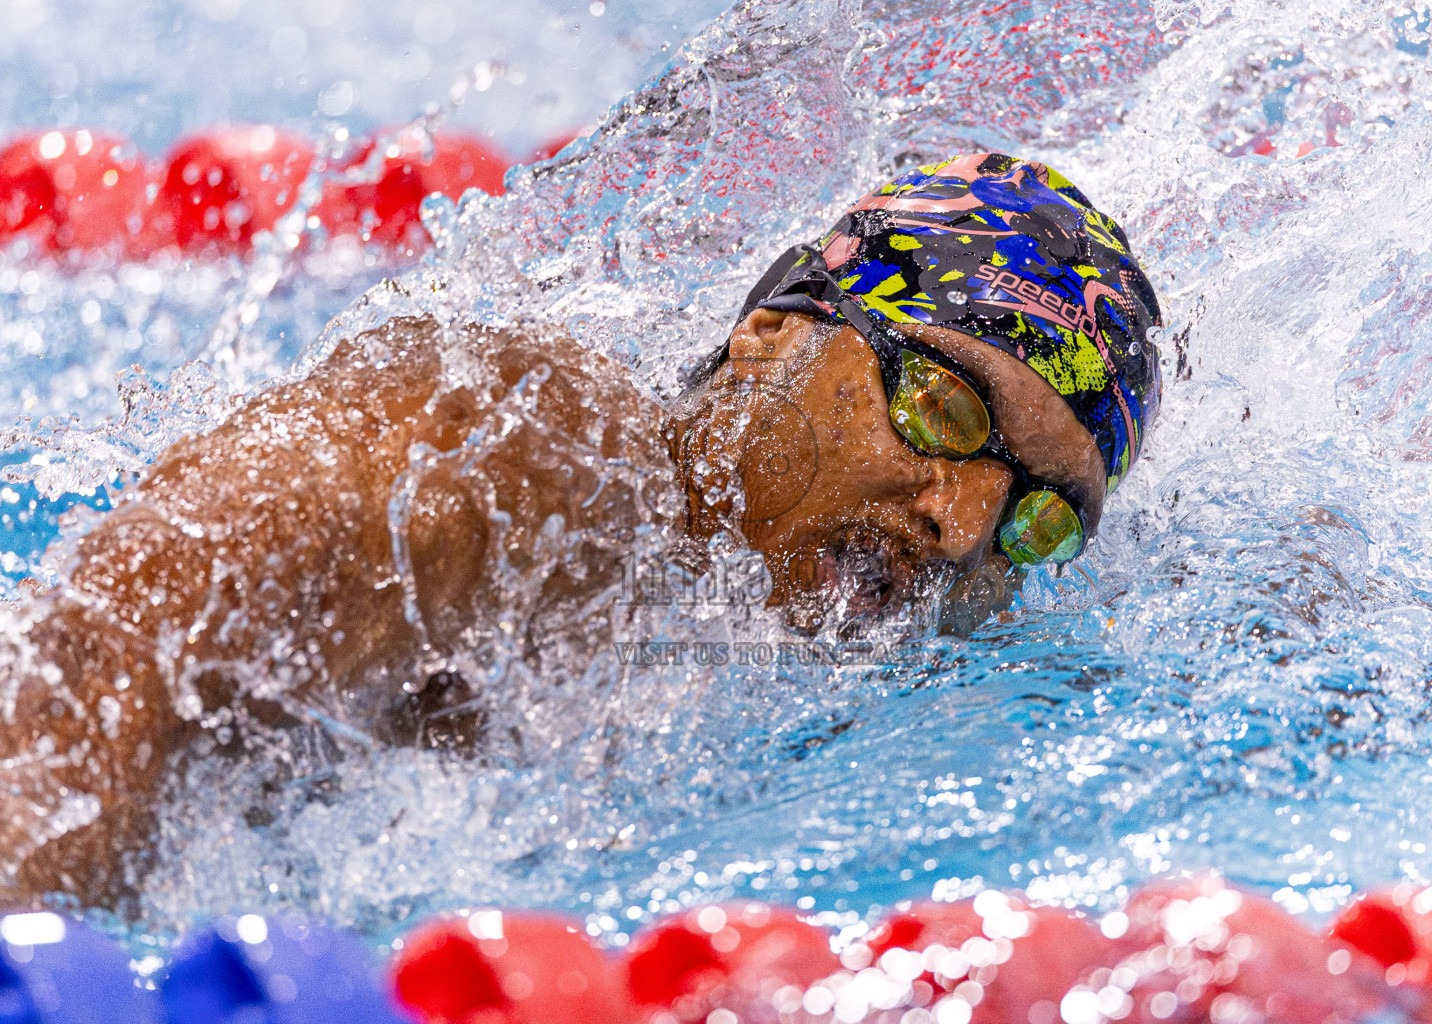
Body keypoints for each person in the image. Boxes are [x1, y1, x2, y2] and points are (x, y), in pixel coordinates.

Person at [0, 152, 1160, 901]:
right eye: (944, 407)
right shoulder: (528, 453)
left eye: (1038, 517)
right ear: (771, 333)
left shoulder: (843, 670)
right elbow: (106, 648)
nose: (962, 524)